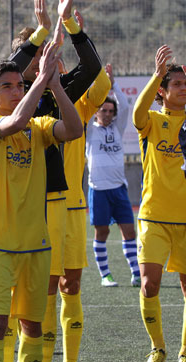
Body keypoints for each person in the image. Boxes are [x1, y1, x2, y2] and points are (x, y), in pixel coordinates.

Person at [3, 1, 106, 362]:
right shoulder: (11, 99)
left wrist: (72, 27)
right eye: (36, 57)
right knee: (25, 298)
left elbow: (93, 69)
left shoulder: (53, 93)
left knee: (58, 286)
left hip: (60, 201)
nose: (44, 62)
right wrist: (41, 32)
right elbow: (11, 63)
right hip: (22, 206)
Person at [0, 41, 83, 362]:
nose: (15, 90)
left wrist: (54, 86)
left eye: (19, 85)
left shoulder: (39, 127)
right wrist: (40, 82)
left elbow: (74, 129)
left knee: (32, 326)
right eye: (7, 86)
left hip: (36, 245)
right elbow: (16, 119)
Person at [133, 45, 186, 362]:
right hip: (153, 216)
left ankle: (185, 352)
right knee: (149, 285)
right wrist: (156, 74)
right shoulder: (151, 121)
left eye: (185, 82)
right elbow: (137, 114)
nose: (183, 87)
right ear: (163, 92)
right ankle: (158, 347)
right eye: (177, 83)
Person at [85, 63, 140, 288]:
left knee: (129, 230)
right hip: (98, 189)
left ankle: (136, 273)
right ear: (97, 112)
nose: (107, 114)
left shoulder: (117, 128)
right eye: (103, 110)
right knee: (103, 232)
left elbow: (125, 106)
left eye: (110, 111)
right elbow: (85, 106)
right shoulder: (89, 129)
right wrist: (96, 84)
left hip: (119, 188)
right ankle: (105, 274)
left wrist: (113, 83)